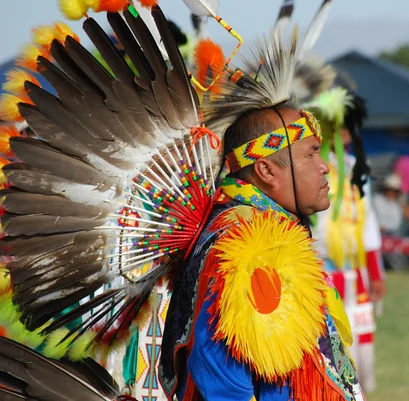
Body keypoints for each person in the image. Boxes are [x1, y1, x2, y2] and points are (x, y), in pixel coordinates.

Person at [0, 3, 363, 401]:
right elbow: (223, 383)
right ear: (267, 171)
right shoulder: (248, 247)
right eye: (311, 154)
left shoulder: (263, 235)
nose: (326, 167)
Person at [306, 87, 385, 393]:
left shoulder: (356, 170)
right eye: (339, 128)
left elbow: (368, 223)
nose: (346, 134)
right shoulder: (312, 171)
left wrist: (375, 273)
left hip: (357, 274)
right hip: (322, 271)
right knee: (329, 346)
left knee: (363, 351)